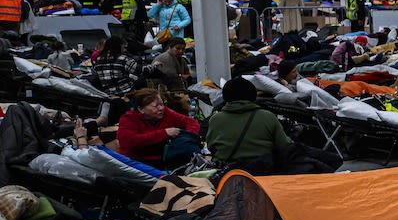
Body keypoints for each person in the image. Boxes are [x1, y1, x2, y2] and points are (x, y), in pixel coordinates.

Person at [206, 76, 340, 173]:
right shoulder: (266, 116)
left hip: (229, 171)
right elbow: (284, 145)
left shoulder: (215, 119)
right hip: (263, 170)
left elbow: (212, 148)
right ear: (252, 95)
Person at [116, 88, 200, 168]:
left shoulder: (166, 113)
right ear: (141, 109)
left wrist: (188, 136)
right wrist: (165, 133)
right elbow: (130, 142)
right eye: (156, 106)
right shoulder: (128, 119)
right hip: (136, 162)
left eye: (162, 104)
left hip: (163, 159)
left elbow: (191, 122)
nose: (161, 108)